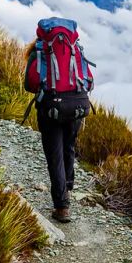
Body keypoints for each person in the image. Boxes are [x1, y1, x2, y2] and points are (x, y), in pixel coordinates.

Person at [23, 17, 95, 223]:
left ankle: (62, 206)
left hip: (51, 108)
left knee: (54, 154)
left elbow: (30, 83)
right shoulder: (75, 49)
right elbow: (88, 80)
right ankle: (68, 186)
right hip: (77, 106)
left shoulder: (40, 51)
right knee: (69, 146)